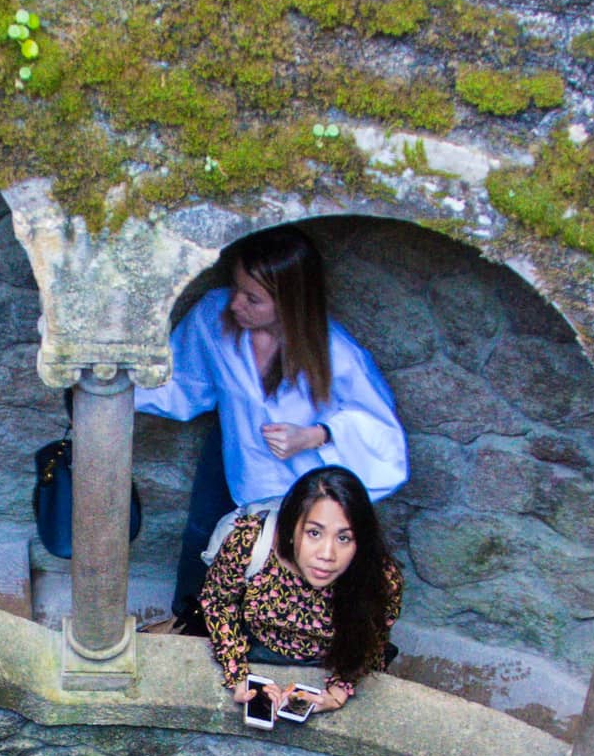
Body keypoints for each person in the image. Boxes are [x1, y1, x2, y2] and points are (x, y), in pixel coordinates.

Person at [142, 228, 409, 626]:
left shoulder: (337, 353)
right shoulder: (215, 319)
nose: (236, 304)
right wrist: (113, 393)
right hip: (237, 459)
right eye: (236, 289)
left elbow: (384, 437)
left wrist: (316, 434)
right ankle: (192, 625)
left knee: (291, 569)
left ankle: (271, 644)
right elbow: (185, 384)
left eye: (253, 298)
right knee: (205, 542)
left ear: (289, 303)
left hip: (300, 482)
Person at [199, 465, 402, 717]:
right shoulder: (249, 543)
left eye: (343, 538)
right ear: (292, 529)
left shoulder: (379, 576)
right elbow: (218, 603)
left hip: (329, 660)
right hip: (255, 647)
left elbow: (372, 638)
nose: (327, 555)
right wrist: (239, 676)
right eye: (314, 533)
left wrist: (338, 692)